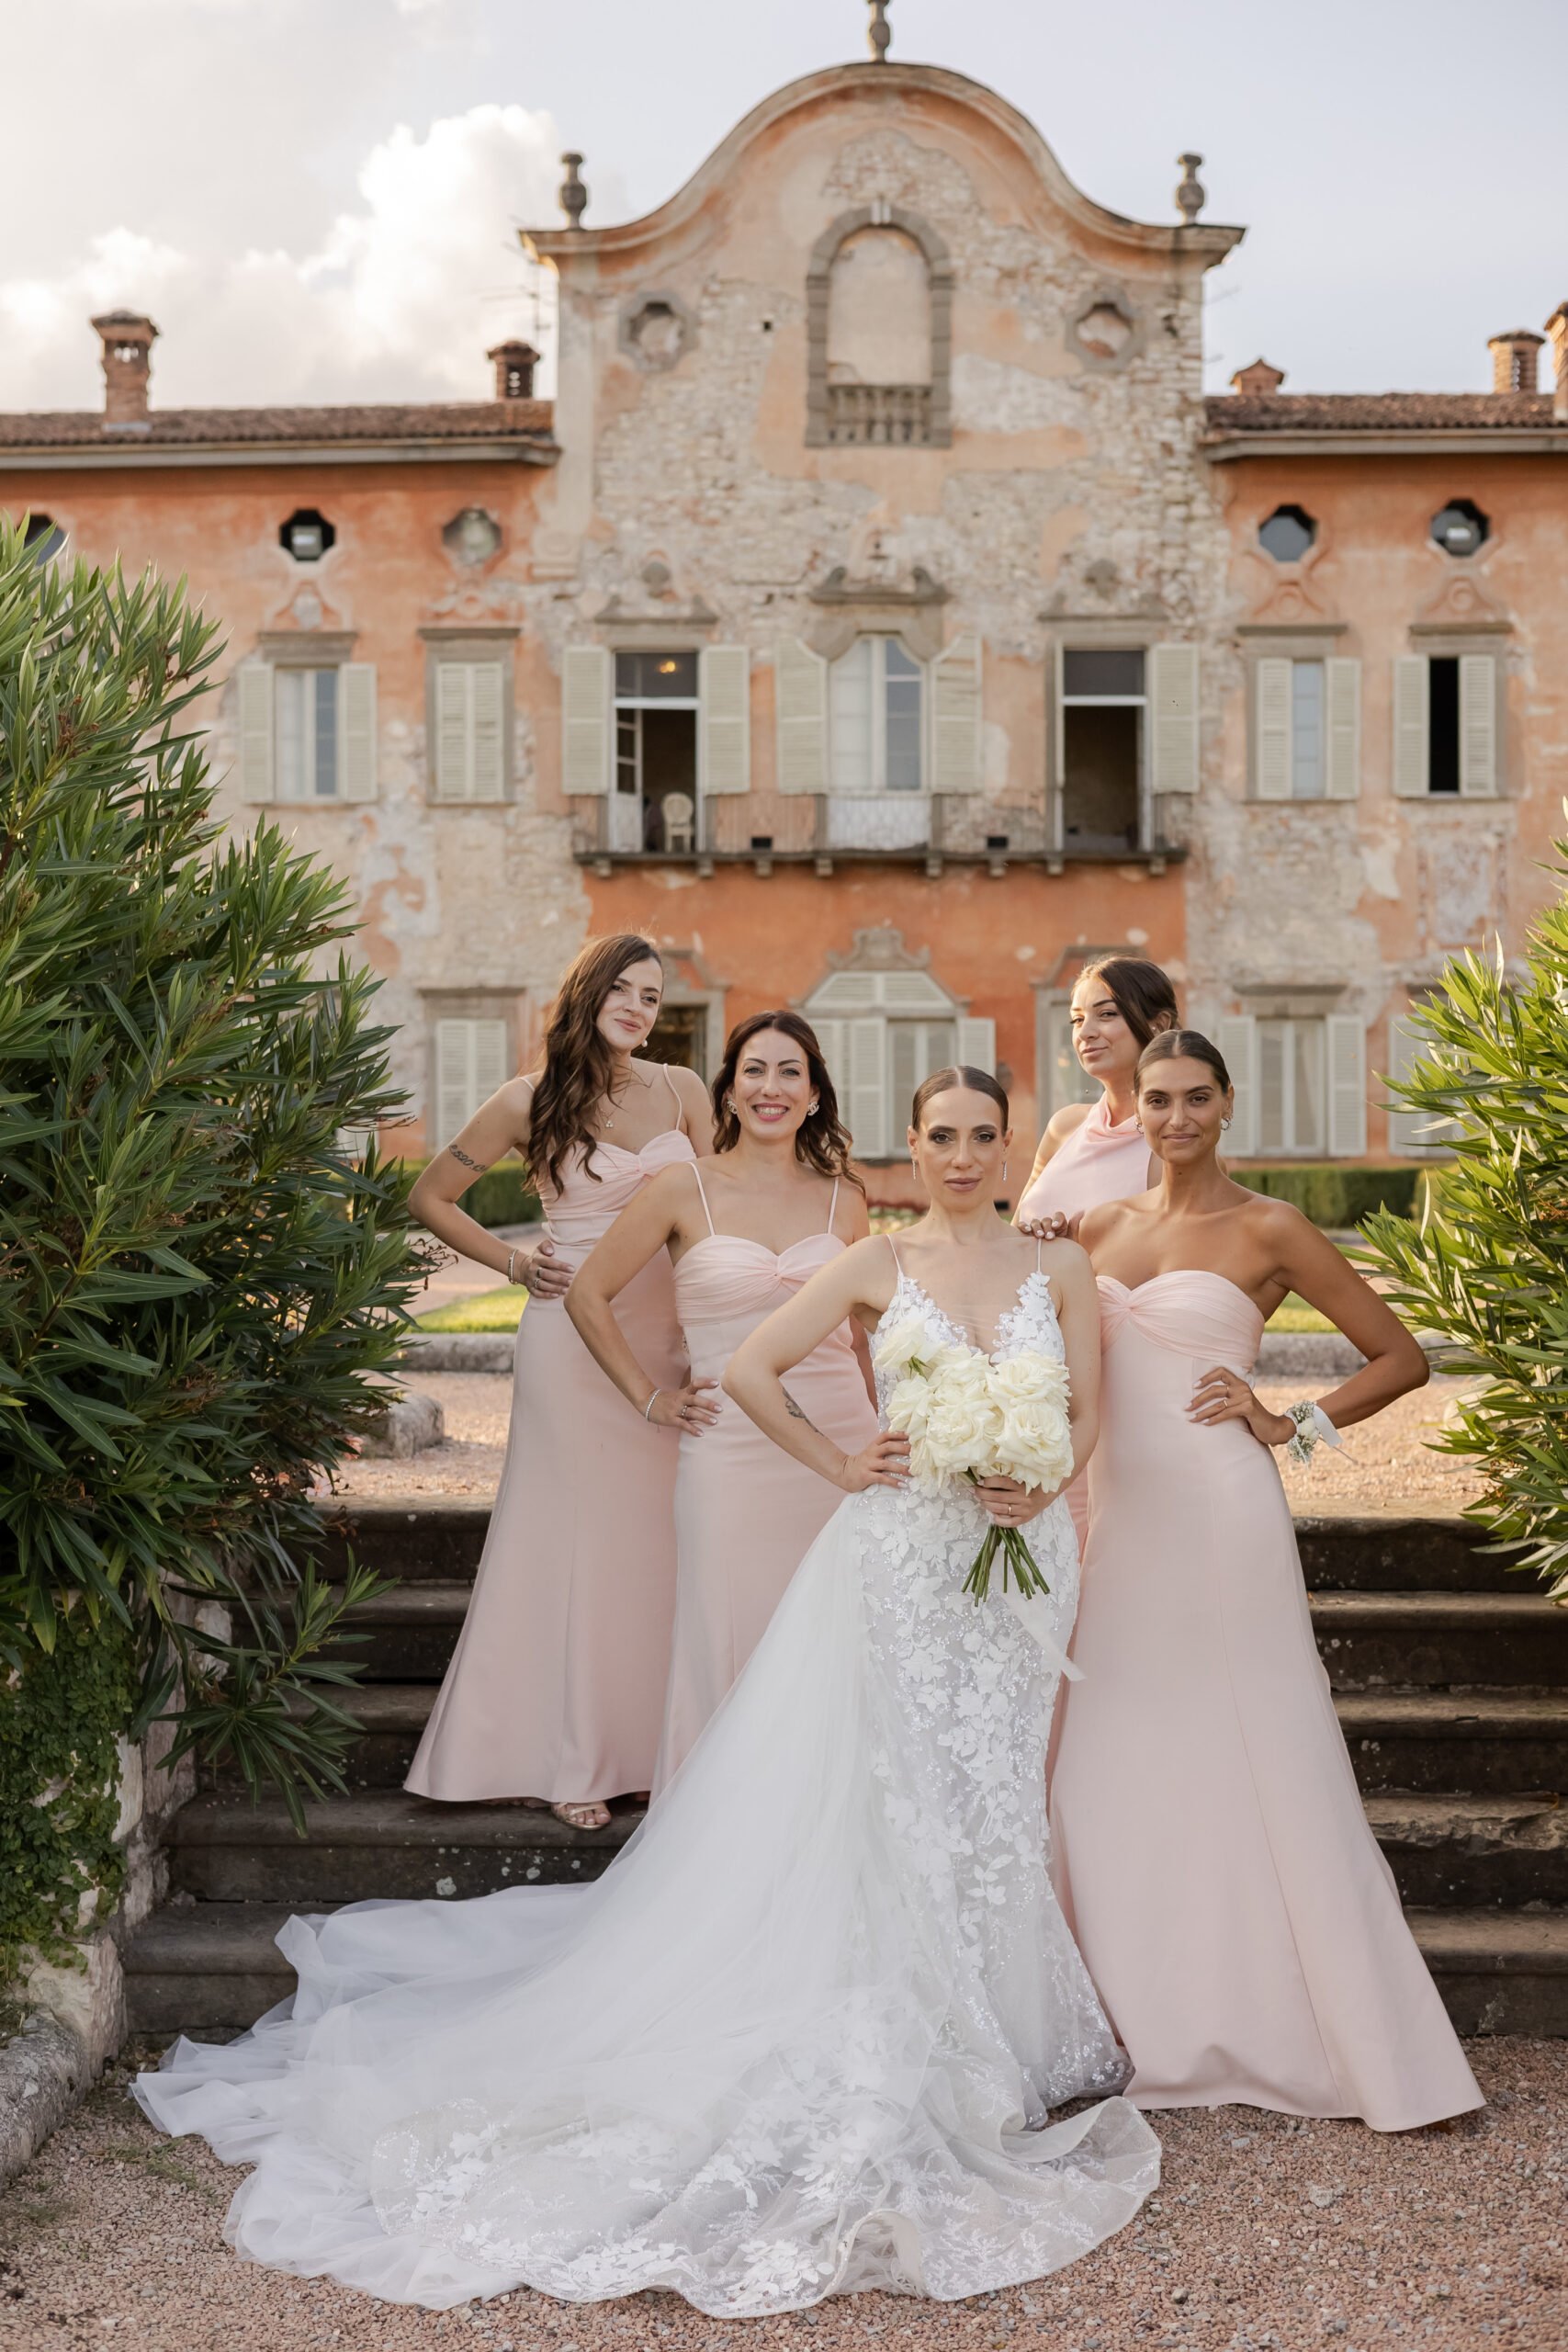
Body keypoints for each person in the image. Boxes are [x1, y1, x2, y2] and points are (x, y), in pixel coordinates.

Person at [134, 1068, 1158, 2314]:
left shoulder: (1058, 1266)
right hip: (903, 1555)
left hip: (1018, 1561)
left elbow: (1086, 1409)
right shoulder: (873, 1260)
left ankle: (1003, 2022)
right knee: (899, 1784)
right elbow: (758, 1371)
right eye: (938, 1134)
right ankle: (929, 2027)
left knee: (993, 1780)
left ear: (1006, 1146)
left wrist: (1041, 1484)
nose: (959, 1153)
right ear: (912, 1143)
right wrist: (846, 1464)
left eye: (980, 1135)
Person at [1051, 1029, 1483, 2130]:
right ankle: (1142, 2020)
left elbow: (1401, 1357)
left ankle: (1307, 2027)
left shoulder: (1270, 1226)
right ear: (1138, 1106)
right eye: (1158, 1099)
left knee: (1263, 1744)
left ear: (1228, 1102)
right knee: (1112, 1757)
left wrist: (1291, 1422)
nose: (1176, 1117)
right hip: (1122, 1521)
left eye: (1196, 1097)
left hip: (1221, 1512)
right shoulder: (1095, 1226)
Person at [403, 934, 712, 1828]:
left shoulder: (683, 1091)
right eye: (623, 989)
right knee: (575, 1541)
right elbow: (429, 1196)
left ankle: (647, 1750)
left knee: (657, 1543)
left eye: (652, 996)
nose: (638, 1008)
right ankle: (573, 1759)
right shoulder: (524, 1100)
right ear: (587, 991)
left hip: (668, 1340)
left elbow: (720, 1207)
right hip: (569, 1344)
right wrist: (511, 1263)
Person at [566, 1011, 878, 1791]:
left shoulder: (845, 1200)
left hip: (841, 1447)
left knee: (844, 1640)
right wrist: (649, 1398)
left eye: (789, 1072)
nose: (771, 1087)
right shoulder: (683, 1188)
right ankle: (721, 1816)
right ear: (729, 1092)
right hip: (730, 1454)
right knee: (729, 1633)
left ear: (814, 1094)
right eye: (754, 1071)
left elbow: (868, 1337)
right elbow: (586, 1293)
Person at [1013, 956, 1179, 1550]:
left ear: (1157, 1024)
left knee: (1094, 1545)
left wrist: (1088, 1244)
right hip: (1030, 1371)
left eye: (1105, 1014)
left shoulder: (1172, 1140)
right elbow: (1013, 1238)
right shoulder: (1064, 1127)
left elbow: (1181, 1268)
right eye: (1077, 1018)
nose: (1086, 1031)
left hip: (1116, 1379)